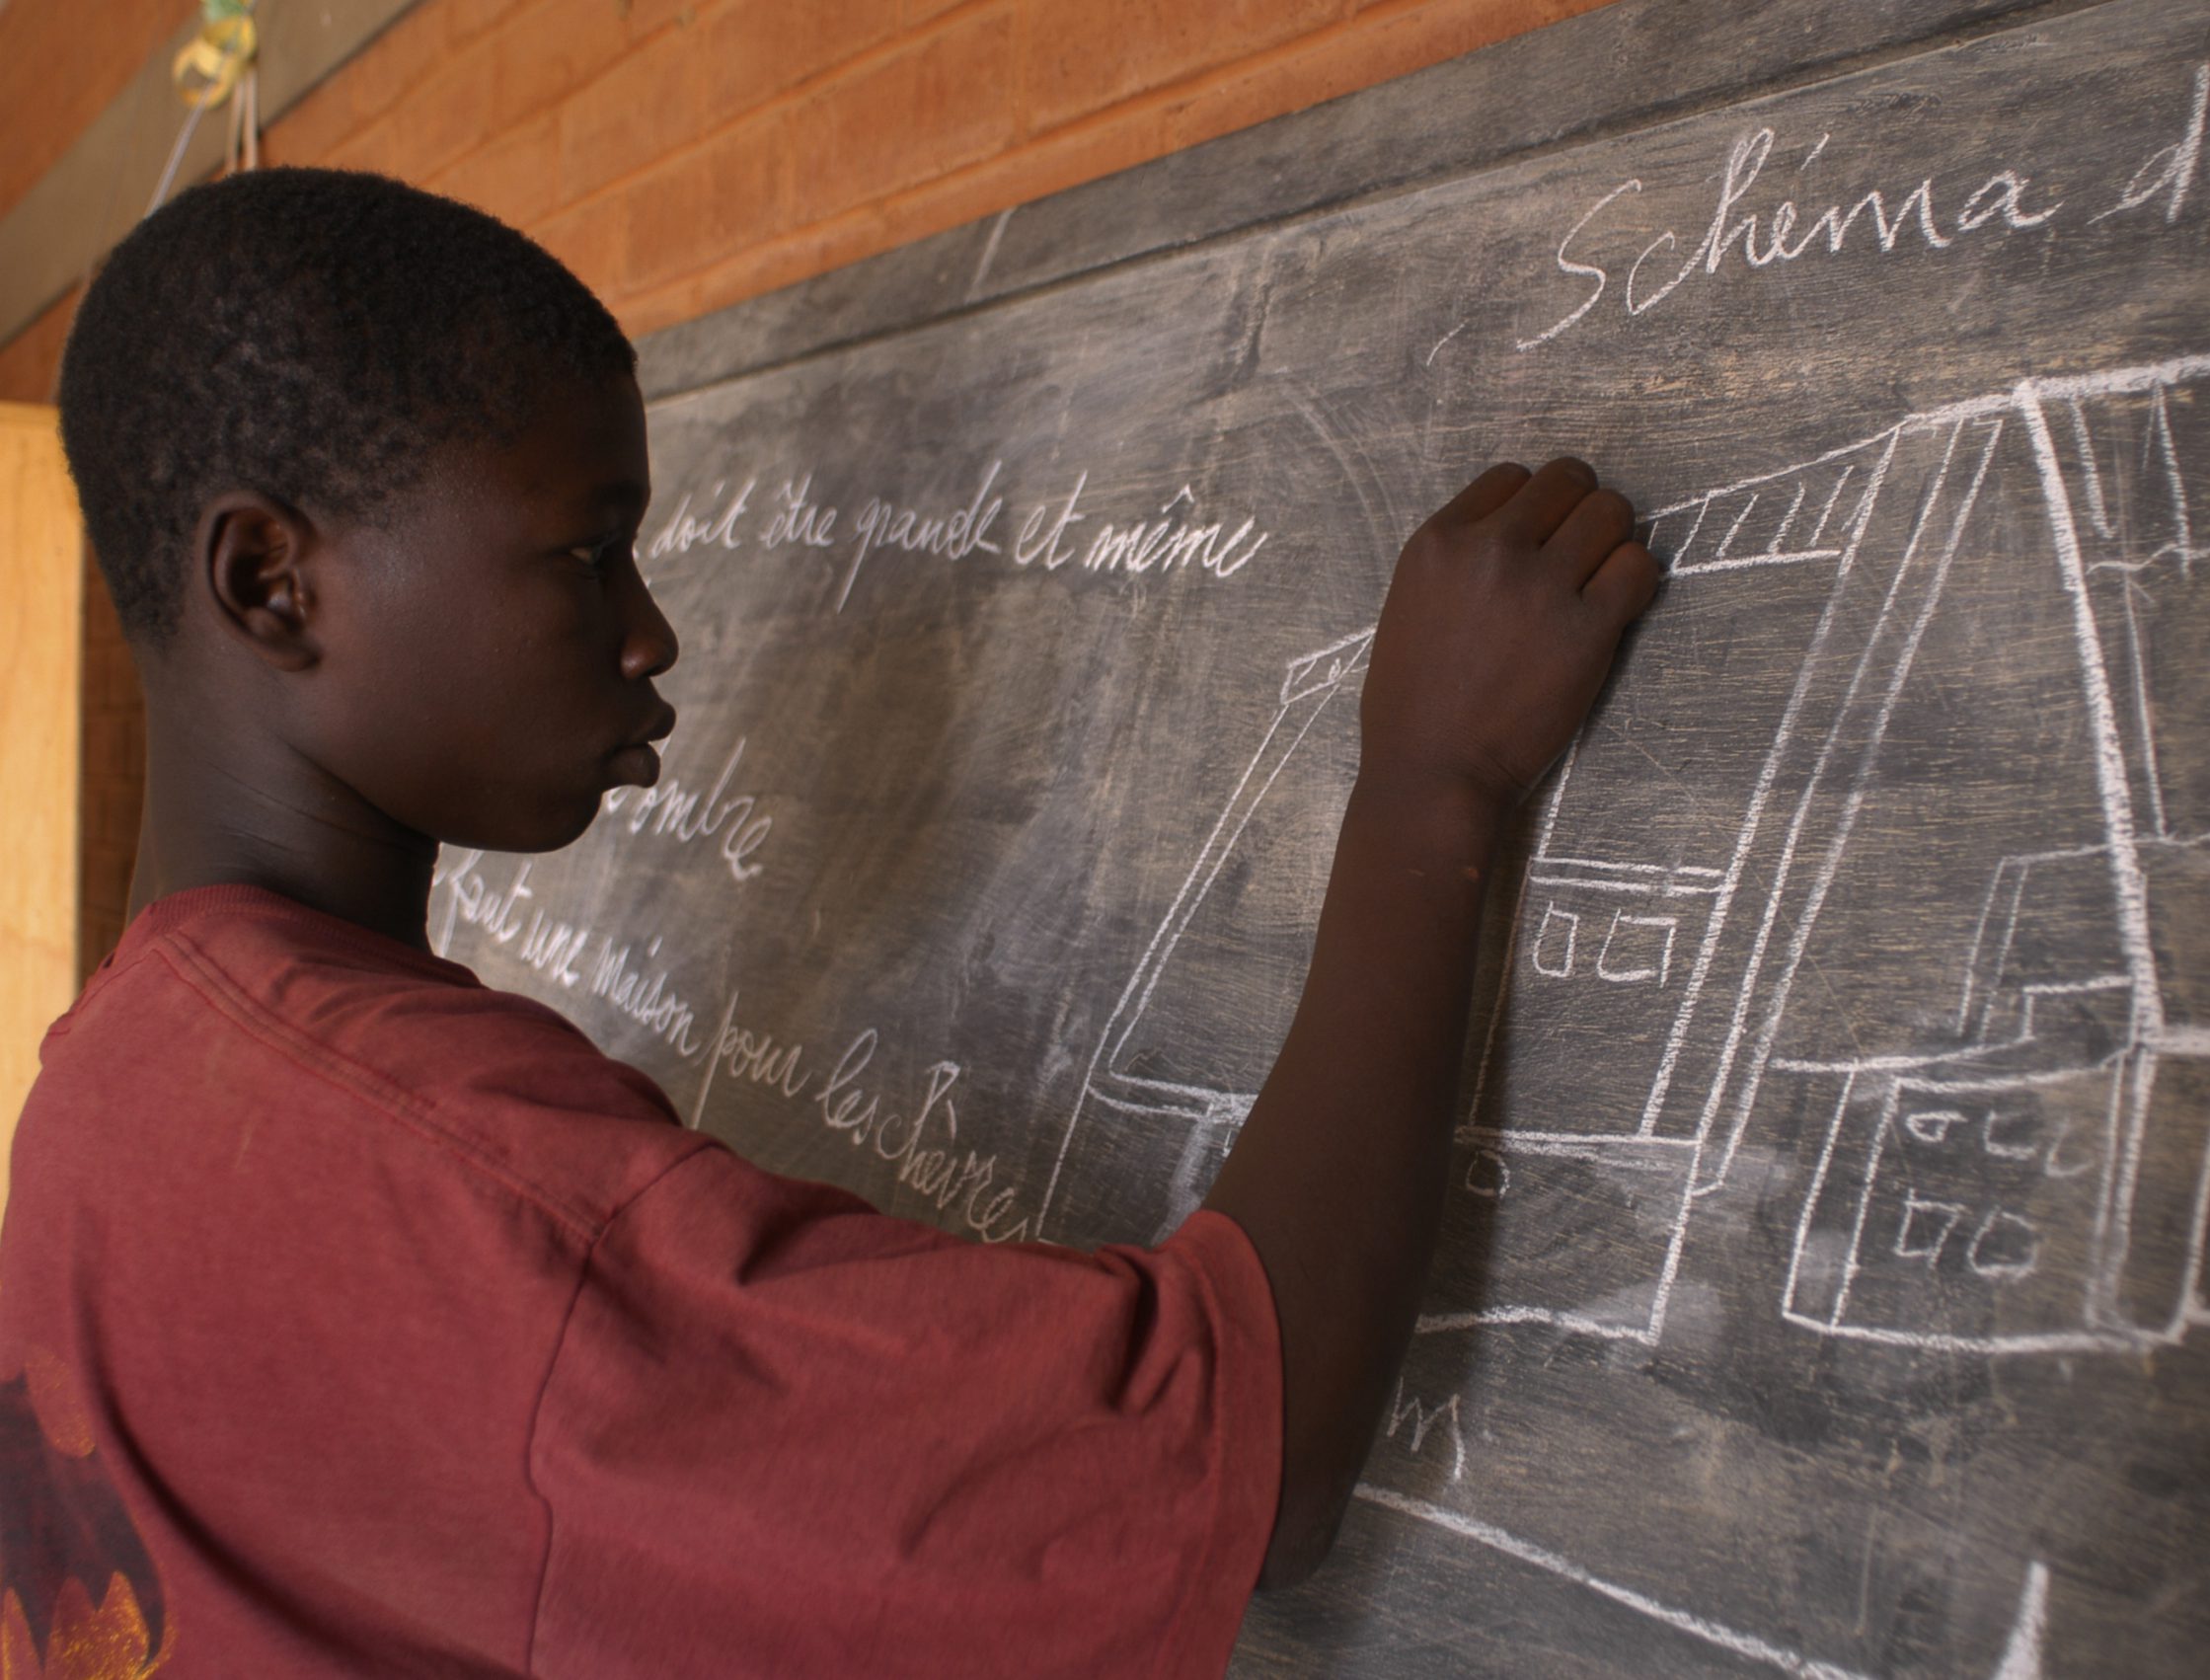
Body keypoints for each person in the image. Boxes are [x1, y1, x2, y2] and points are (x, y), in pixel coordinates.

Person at [1, 167, 1657, 1676]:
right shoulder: (466, 1187)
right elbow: (1247, 1454)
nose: (651, 634)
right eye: (587, 554)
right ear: (271, 582)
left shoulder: (106, 1082)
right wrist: (1433, 785)